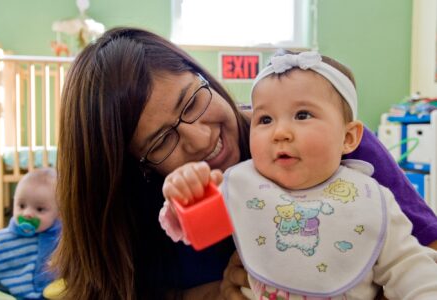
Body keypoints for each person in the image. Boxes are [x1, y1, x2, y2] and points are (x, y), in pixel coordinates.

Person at [53, 27, 437, 299]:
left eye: (192, 101)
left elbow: (424, 256)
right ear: (136, 168)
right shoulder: (150, 210)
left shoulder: (330, 143)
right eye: (162, 141)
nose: (201, 139)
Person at [161, 50, 437, 299]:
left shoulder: (372, 198)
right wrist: (185, 190)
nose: (280, 133)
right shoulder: (242, 184)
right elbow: (195, 223)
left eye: (303, 115)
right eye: (265, 119)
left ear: (349, 137)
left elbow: (409, 267)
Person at [0, 167, 60, 299]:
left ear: (58, 213)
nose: (27, 214)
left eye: (39, 209)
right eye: (21, 206)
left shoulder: (61, 240)